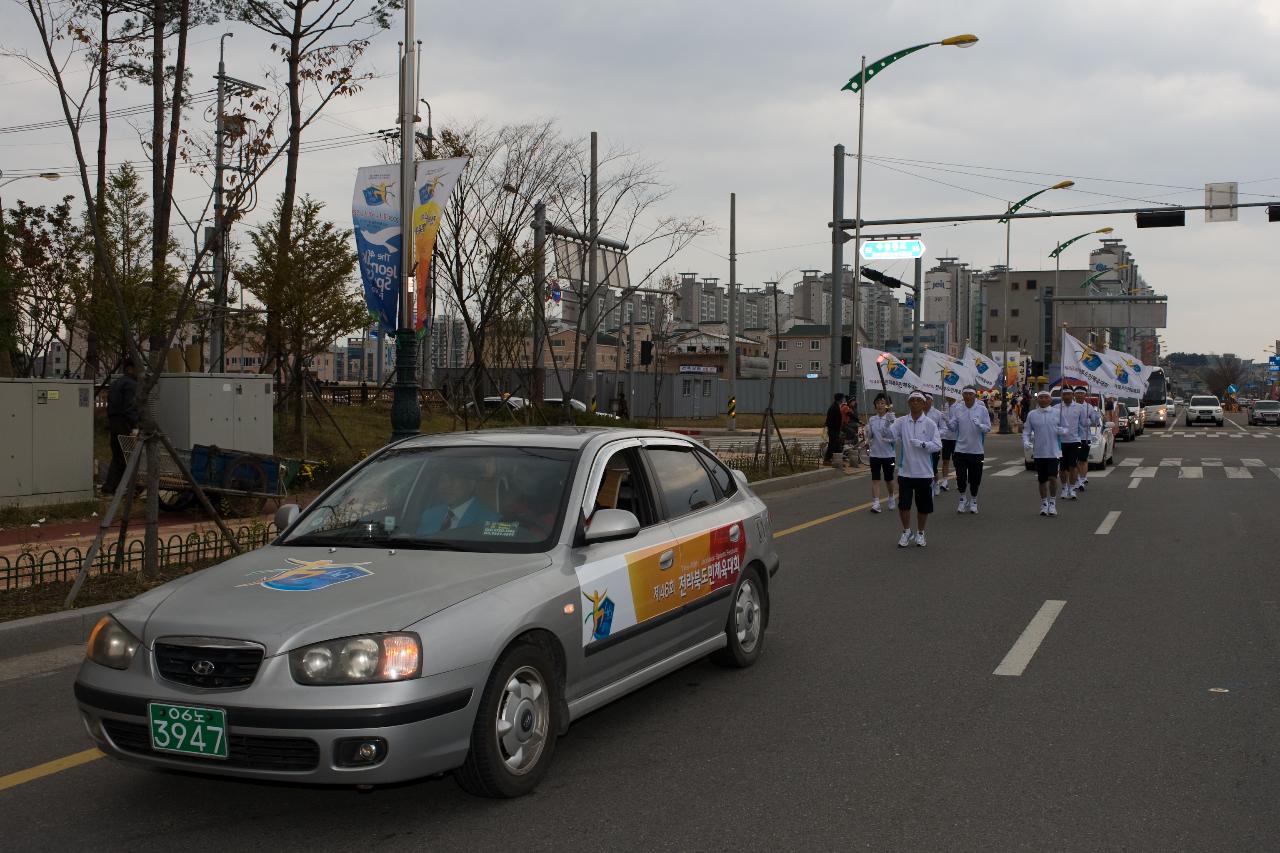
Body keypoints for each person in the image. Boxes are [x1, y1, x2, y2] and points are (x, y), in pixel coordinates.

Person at [890, 390, 942, 547]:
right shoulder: (900, 422)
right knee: (904, 505)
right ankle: (906, 531)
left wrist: (924, 444)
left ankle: (920, 532)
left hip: (924, 472)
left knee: (923, 506)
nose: (915, 403)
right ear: (908, 403)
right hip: (905, 471)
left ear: (924, 403)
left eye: (919, 400)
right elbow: (888, 436)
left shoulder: (930, 424)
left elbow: (938, 445)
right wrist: (888, 421)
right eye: (912, 400)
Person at [417, 463, 500, 534]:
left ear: (471, 484)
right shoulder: (429, 515)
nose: (446, 486)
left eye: (453, 479)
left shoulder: (490, 520)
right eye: (442, 480)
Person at [1023, 389, 1068, 516]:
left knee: (1053, 478)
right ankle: (1044, 503)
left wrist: (1062, 431)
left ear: (1050, 400)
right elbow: (1026, 431)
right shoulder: (1032, 414)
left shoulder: (1058, 413)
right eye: (1041, 397)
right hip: (1039, 452)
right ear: (1038, 399)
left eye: (1045, 397)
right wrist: (1026, 442)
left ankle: (1052, 503)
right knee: (1042, 480)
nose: (1043, 399)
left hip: (1054, 452)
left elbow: (1066, 428)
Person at [948, 385, 992, 514]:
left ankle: (973, 500)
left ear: (974, 396)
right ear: (962, 396)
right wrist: (948, 421)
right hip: (960, 450)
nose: (967, 396)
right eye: (965, 394)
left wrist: (980, 425)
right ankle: (962, 499)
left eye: (970, 394)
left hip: (976, 451)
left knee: (975, 479)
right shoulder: (957, 409)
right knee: (960, 478)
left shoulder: (982, 410)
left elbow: (988, 428)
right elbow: (953, 428)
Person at [102, 358, 140, 495]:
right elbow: (129, 408)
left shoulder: (116, 383)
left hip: (114, 423)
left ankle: (109, 488)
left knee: (118, 456)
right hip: (124, 424)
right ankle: (130, 489)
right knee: (128, 457)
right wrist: (136, 424)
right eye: (138, 368)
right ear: (130, 368)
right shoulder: (131, 385)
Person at [865, 393, 897, 513]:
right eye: (877, 403)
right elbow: (870, 437)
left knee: (889, 479)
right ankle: (876, 503)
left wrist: (888, 427)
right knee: (875, 479)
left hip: (888, 454)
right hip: (875, 454)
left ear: (887, 405)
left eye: (882, 403)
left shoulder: (892, 419)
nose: (880, 405)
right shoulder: (872, 419)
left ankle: (891, 496)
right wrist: (867, 432)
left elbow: (895, 438)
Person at [1057, 386, 1085, 500]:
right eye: (1064, 394)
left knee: (1073, 466)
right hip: (1061, 442)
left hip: (1074, 441)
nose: (1067, 396)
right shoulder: (1056, 408)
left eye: (1069, 394)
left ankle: (1072, 489)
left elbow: (1083, 423)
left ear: (1072, 395)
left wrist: (1089, 421)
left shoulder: (1079, 407)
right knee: (1062, 468)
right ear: (1062, 396)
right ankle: (1064, 488)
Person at [1074, 386, 1100, 488]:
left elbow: (1095, 422)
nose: (1080, 395)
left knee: (1083, 459)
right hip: (1072, 438)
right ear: (1074, 394)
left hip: (1085, 437)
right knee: (1074, 460)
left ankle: (1083, 478)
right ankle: (1076, 479)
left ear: (1085, 395)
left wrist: (1095, 417)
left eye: (1082, 393)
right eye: (1078, 393)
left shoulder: (1089, 407)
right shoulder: (1070, 406)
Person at [932, 393, 957, 493]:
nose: (948, 397)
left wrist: (948, 420)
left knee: (956, 462)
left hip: (956, 437)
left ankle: (958, 480)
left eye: (951, 395)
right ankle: (945, 481)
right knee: (945, 460)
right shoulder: (944, 405)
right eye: (947, 395)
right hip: (946, 437)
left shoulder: (959, 406)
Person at [822, 393, 846, 467]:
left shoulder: (835, 406)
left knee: (837, 446)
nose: (843, 400)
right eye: (842, 398)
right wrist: (836, 429)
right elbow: (831, 420)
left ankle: (837, 460)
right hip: (833, 430)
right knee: (832, 445)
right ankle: (827, 460)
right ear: (840, 399)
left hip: (834, 430)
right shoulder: (834, 408)